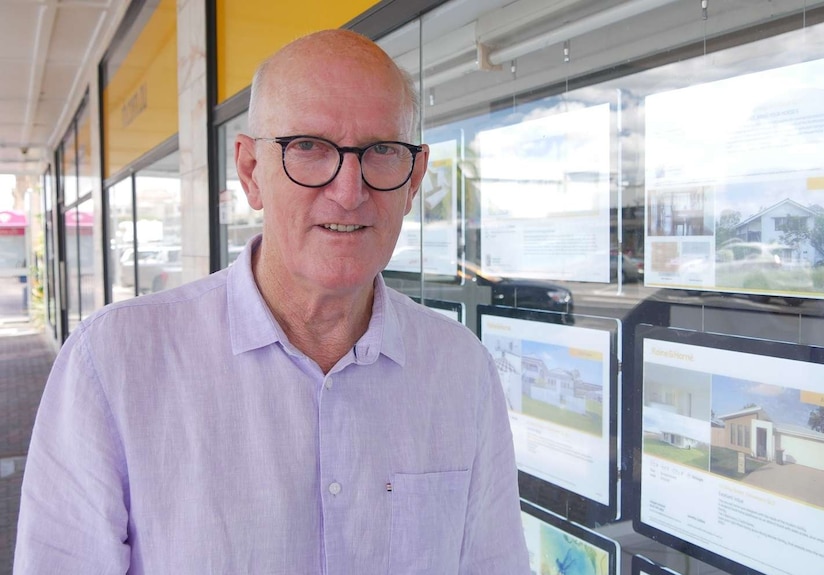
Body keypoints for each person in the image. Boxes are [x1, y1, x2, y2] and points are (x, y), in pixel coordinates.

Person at [15, 29, 530, 573]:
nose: (349, 190)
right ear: (250, 171)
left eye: (381, 151)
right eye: (308, 147)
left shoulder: (460, 368)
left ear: (414, 178)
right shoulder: (114, 363)